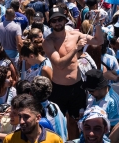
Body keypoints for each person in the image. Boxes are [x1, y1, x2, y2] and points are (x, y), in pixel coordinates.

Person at [43, 8, 103, 139]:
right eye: (54, 21)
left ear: (65, 20)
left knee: (75, 121)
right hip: (58, 89)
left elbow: (99, 41)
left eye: (60, 19)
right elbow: (59, 64)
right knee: (56, 121)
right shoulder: (48, 41)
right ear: (50, 23)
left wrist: (98, 23)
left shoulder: (75, 35)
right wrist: (76, 48)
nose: (57, 23)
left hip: (77, 87)